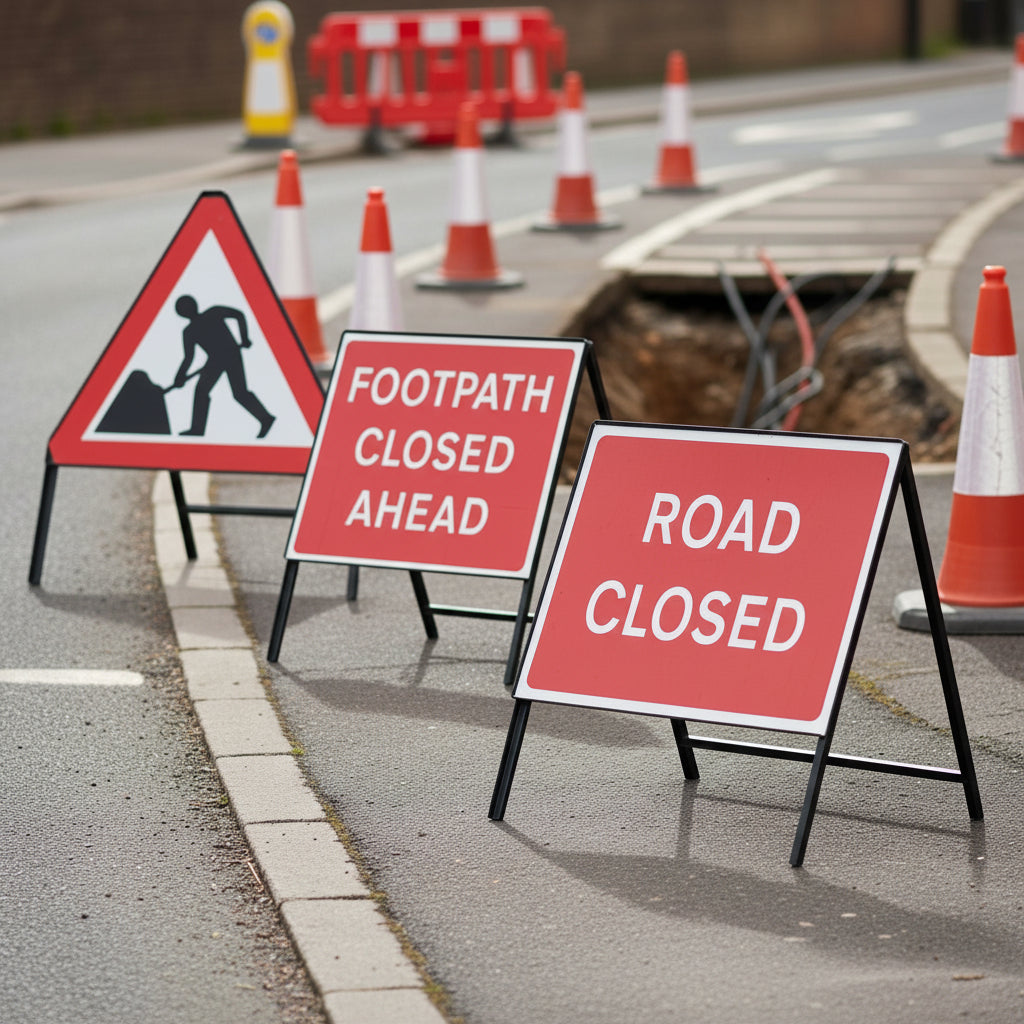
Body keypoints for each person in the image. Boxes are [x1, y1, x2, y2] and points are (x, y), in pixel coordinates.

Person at [171, 295, 275, 438]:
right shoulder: (190, 330)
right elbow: (188, 358)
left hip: (231, 354)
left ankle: (266, 418)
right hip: (215, 360)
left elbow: (239, 315)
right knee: (202, 391)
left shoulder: (213, 313)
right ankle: (197, 429)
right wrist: (179, 376)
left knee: (239, 393)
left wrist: (244, 337)